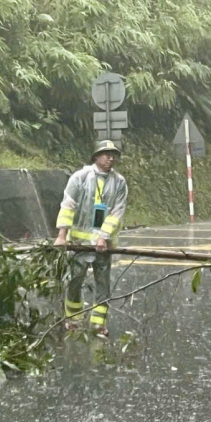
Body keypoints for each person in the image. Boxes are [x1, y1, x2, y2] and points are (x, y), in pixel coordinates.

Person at [54, 140, 128, 336]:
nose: (110, 158)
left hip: (104, 245)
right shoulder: (80, 177)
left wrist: (104, 237)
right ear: (96, 157)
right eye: (106, 154)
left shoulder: (119, 182)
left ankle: (98, 324)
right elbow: (68, 205)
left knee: (102, 284)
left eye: (113, 155)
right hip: (79, 244)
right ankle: (73, 320)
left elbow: (116, 213)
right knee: (74, 281)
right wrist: (62, 236)